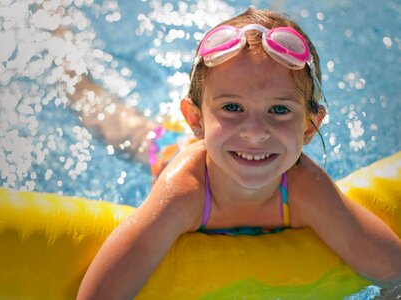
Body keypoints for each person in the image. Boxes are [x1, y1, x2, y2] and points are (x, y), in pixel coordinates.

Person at [75, 8, 401, 299]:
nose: (255, 132)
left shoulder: (305, 188)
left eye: (279, 109)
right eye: (233, 107)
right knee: (119, 127)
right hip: (172, 150)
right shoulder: (184, 191)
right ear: (195, 120)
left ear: (309, 127)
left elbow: (393, 272)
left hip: (220, 140)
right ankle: (73, 75)